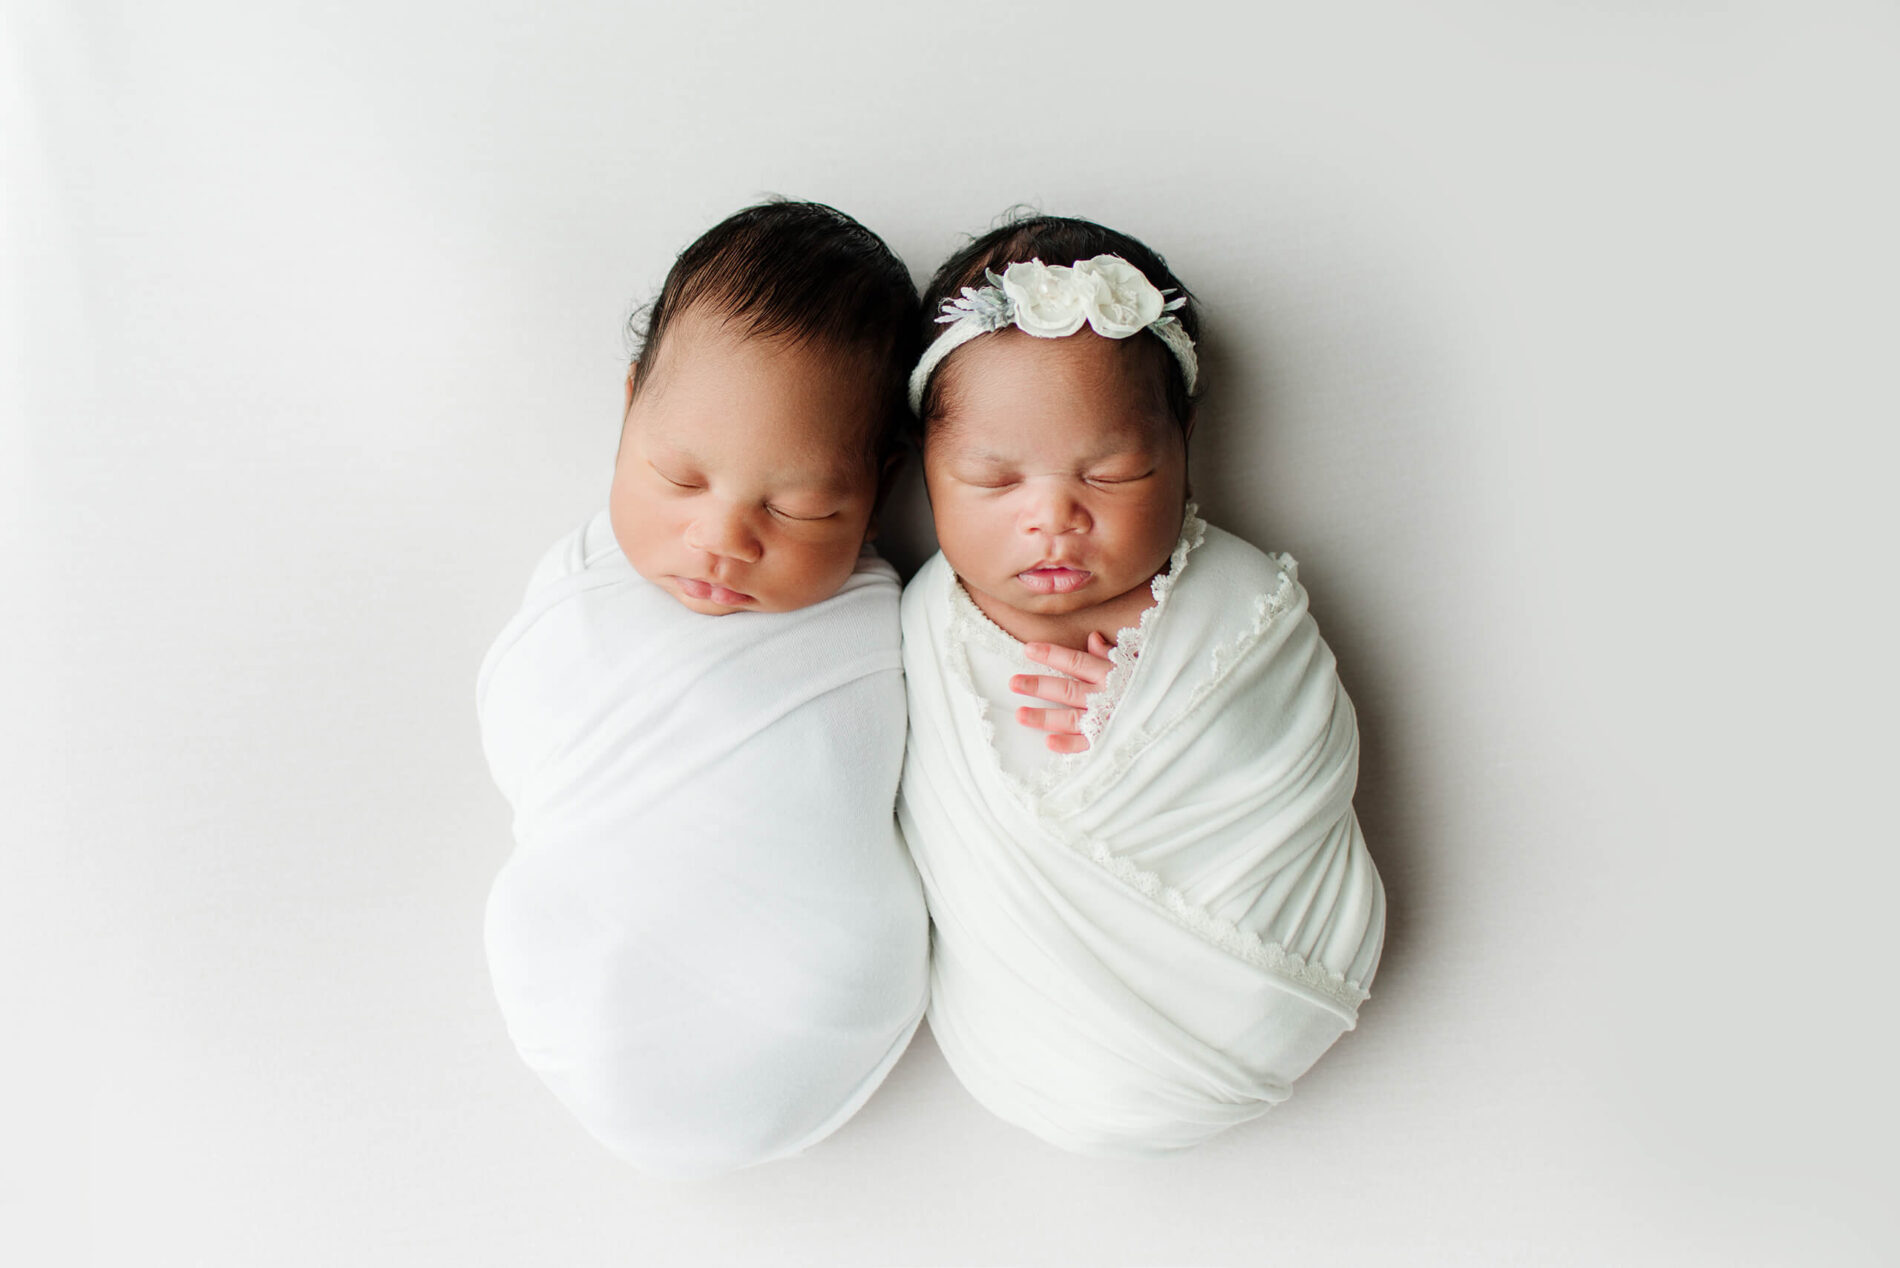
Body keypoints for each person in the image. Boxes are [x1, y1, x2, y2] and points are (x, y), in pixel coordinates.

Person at [898, 214, 1387, 1155]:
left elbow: (1304, 747)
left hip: (1268, 977)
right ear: (921, 466)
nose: (1054, 519)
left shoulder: (1241, 600)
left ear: (1185, 441)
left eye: (1114, 472)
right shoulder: (918, 627)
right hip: (1026, 1029)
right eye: (993, 481)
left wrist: (1167, 725)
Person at [476, 201, 928, 1178]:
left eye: (800, 503)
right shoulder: (581, 593)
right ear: (630, 401)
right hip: (591, 964)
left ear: (880, 485)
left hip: (815, 985)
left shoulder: (884, 622)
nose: (724, 536)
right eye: (678, 476)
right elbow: (529, 730)